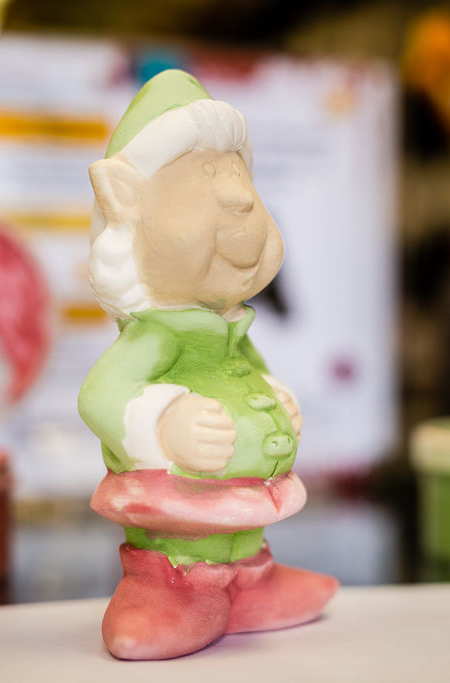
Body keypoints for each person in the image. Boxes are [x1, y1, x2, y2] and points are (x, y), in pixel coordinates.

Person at [79, 69, 337, 660]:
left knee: (242, 537)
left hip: (242, 506)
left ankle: (250, 582)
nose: (241, 198)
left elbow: (252, 369)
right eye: (205, 180)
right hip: (178, 520)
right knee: (180, 552)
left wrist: (274, 395)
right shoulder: (155, 336)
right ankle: (170, 591)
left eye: (239, 176)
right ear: (128, 206)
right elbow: (101, 396)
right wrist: (166, 422)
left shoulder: (229, 331)